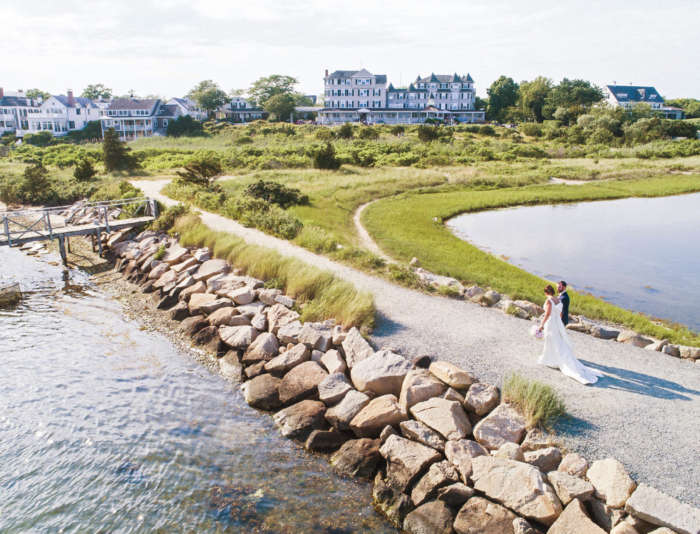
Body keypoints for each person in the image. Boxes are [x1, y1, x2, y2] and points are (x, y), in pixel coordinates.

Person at [537, 285, 602, 385]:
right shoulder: (558, 300)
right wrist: (558, 322)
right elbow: (560, 314)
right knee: (557, 341)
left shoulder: (549, 301)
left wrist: (541, 325)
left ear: (546, 292)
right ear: (553, 291)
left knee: (550, 340)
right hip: (557, 323)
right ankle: (552, 358)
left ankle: (550, 359)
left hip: (550, 323)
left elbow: (547, 314)